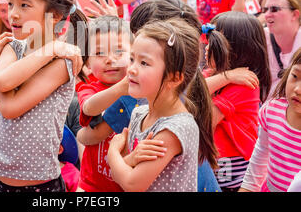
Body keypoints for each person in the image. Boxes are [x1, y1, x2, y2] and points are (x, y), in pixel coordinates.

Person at [0, 0, 87, 192]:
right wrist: (51, 48)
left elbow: (9, 105)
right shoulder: (13, 46)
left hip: (40, 184)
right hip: (0, 178)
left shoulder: (61, 62)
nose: (13, 13)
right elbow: (4, 82)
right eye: (11, 3)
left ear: (54, 15)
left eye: (24, 5)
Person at [107, 18, 211, 191]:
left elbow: (132, 183)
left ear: (174, 78)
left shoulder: (175, 128)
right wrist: (130, 159)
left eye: (144, 63)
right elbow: (119, 172)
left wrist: (112, 151)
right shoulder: (139, 114)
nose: (131, 69)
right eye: (132, 59)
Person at [204, 11, 271, 191]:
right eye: (209, 40)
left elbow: (204, 120)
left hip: (232, 178)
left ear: (235, 52)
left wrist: (226, 78)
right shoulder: (215, 76)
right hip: (214, 168)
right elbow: (187, 90)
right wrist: (226, 76)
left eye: (215, 43)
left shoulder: (245, 86)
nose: (207, 47)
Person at [76, 15, 133, 192]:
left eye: (118, 51)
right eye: (99, 53)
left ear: (133, 54)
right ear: (87, 62)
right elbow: (89, 107)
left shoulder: (143, 88)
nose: (110, 59)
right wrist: (121, 89)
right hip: (92, 185)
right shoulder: (89, 88)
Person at [238, 47, 301, 192]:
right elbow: (261, 153)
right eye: (295, 76)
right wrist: (247, 188)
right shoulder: (272, 110)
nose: (298, 89)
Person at [262, 0, 301, 96]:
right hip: (266, 110)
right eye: (265, 10)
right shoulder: (262, 37)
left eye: (274, 9)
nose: (267, 15)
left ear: (295, 14)